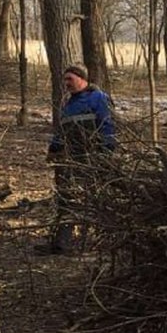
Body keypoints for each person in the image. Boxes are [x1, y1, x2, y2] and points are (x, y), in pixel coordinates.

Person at [38, 64, 117, 255]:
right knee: (66, 198)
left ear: (83, 79)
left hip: (94, 158)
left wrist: (106, 153)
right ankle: (61, 243)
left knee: (94, 200)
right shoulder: (68, 105)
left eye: (70, 79)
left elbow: (108, 126)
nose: (66, 84)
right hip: (71, 160)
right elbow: (62, 131)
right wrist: (54, 148)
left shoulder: (99, 98)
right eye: (64, 80)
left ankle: (102, 243)